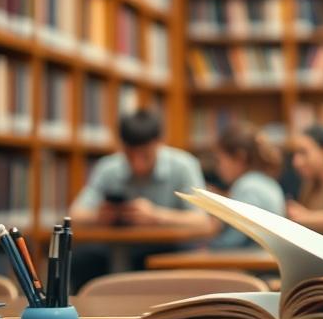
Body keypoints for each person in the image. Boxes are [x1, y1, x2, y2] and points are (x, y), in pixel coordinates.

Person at [68, 108, 214, 290]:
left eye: (145, 155)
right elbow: (74, 216)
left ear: (160, 143)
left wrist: (156, 216)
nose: (137, 164)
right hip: (119, 251)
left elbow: (202, 222)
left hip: (170, 248)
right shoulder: (109, 168)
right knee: (81, 258)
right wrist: (99, 216)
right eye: (130, 156)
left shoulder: (184, 165)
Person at [206, 122, 287, 250]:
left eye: (220, 160)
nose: (218, 168)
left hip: (253, 262)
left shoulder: (247, 185)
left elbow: (235, 238)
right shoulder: (266, 181)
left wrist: (210, 247)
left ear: (240, 157)